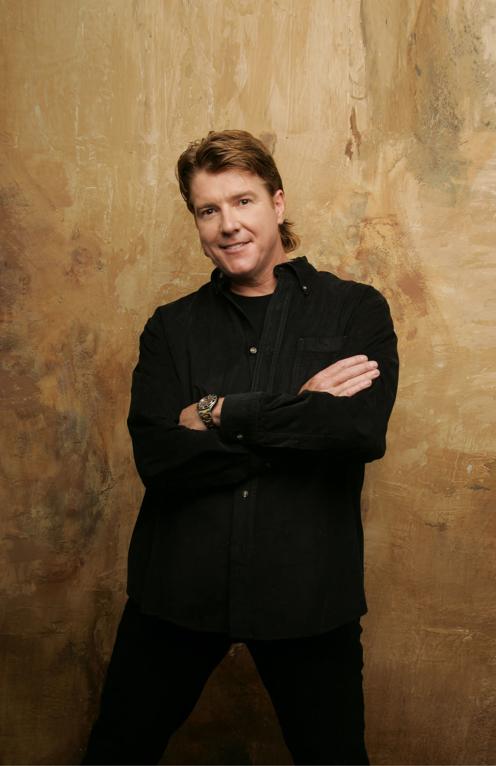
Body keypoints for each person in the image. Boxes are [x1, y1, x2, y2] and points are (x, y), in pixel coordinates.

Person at [83, 130, 398, 765]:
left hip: (307, 597)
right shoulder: (170, 328)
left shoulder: (354, 311)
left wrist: (217, 411)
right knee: (117, 752)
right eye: (209, 209)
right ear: (197, 222)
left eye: (243, 201)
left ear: (277, 203)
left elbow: (358, 432)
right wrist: (299, 409)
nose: (228, 224)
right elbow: (160, 460)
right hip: (177, 592)